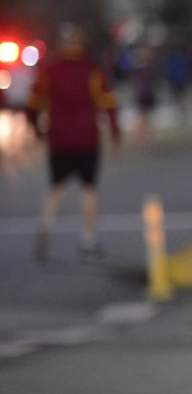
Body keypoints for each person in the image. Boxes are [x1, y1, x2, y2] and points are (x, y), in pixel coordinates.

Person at [26, 23, 123, 260]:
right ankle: (88, 239)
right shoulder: (92, 70)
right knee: (88, 188)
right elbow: (107, 102)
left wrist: (37, 130)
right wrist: (115, 133)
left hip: (58, 137)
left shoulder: (49, 70)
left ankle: (46, 227)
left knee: (56, 187)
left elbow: (33, 103)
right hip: (87, 138)